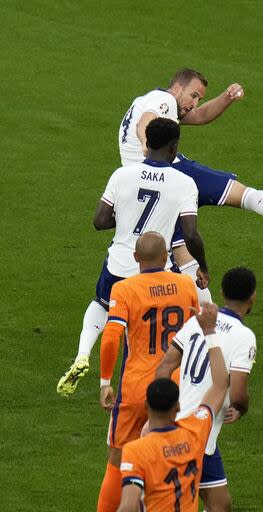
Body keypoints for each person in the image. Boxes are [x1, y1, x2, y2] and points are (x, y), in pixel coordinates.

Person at [119, 68, 263, 285]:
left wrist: (227, 97)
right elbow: (146, 123)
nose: (194, 103)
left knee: (180, 250)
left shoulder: (147, 100)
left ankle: (196, 309)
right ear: (177, 88)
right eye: (193, 95)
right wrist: (145, 143)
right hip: (171, 173)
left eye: (199, 98)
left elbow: (201, 115)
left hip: (143, 184)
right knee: (243, 195)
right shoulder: (165, 99)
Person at [57, 119, 208, 397]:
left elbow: (100, 221)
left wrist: (127, 217)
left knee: (103, 305)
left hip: (119, 263)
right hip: (153, 268)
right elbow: (190, 234)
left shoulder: (122, 175)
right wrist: (203, 268)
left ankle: (83, 353)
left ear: (147, 143)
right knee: (149, 327)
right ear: (174, 147)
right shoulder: (185, 183)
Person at [94, 232, 200, 512]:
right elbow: (197, 333)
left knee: (117, 461)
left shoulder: (125, 289)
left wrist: (105, 381)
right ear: (166, 257)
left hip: (136, 388)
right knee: (182, 455)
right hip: (177, 388)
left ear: (135, 257)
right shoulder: (185, 284)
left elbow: (111, 335)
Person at [155, 267, 258, 512]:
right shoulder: (244, 336)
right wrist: (241, 408)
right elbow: (238, 393)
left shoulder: (197, 321)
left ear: (221, 292)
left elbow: (165, 367)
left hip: (177, 422)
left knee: (220, 503)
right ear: (252, 296)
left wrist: (164, 409)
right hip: (197, 431)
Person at [117, 302, 229, 512]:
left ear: (146, 405)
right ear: (177, 407)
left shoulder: (136, 451)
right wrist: (209, 332)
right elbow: (221, 384)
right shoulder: (195, 432)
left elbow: (128, 506)